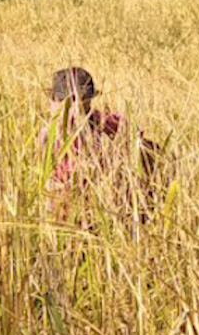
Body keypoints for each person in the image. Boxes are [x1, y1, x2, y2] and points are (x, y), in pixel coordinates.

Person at [43, 66, 160, 225]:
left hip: (100, 199)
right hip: (69, 200)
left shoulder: (97, 120)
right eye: (73, 101)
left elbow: (131, 131)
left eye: (82, 101)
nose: (77, 108)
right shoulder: (54, 131)